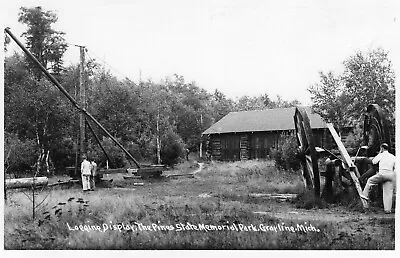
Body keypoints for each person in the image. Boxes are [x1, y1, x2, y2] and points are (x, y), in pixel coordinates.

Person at [361, 143, 396, 213]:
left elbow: (374, 162)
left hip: (382, 173)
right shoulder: (393, 156)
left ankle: (364, 195)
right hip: (391, 174)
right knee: (388, 192)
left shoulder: (381, 154)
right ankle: (387, 209)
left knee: (370, 181)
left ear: (382, 148)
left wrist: (379, 154)